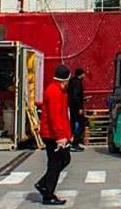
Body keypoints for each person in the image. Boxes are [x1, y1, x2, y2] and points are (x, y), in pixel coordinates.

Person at [35, 64, 73, 205]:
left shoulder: (59, 90)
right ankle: (48, 193)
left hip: (56, 134)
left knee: (63, 160)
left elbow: (62, 116)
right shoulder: (55, 92)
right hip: (52, 135)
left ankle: (44, 185)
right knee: (56, 163)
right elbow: (55, 117)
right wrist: (60, 137)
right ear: (66, 78)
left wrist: (67, 134)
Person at [67, 68, 86, 151]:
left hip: (72, 107)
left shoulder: (71, 82)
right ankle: (75, 142)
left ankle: (71, 141)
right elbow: (76, 96)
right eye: (83, 74)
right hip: (76, 108)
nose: (84, 76)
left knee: (73, 124)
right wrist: (80, 107)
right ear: (81, 74)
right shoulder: (77, 83)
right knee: (81, 125)